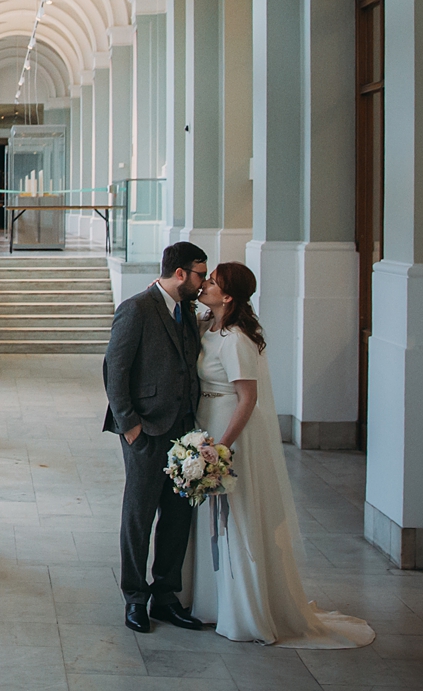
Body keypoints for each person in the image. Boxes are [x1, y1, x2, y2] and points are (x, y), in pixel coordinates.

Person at [188, 262, 374, 647]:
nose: (204, 285)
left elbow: (248, 399)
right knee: (209, 516)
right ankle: (209, 601)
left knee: (235, 515)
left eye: (212, 281)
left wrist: (221, 447)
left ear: (228, 296)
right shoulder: (207, 326)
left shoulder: (237, 338)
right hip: (204, 422)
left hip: (227, 428)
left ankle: (243, 607)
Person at [103, 241, 209, 634]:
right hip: (146, 431)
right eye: (199, 274)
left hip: (184, 430)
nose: (204, 282)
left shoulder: (189, 311)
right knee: (139, 516)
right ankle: (135, 598)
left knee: (178, 516)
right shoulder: (136, 308)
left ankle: (167, 597)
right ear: (179, 273)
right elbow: (115, 370)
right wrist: (130, 425)